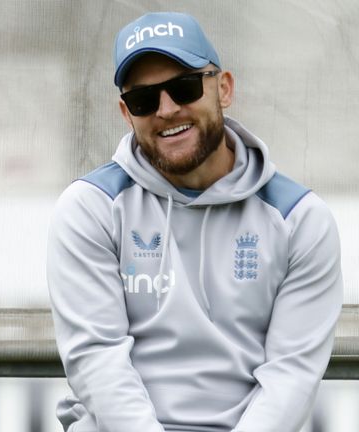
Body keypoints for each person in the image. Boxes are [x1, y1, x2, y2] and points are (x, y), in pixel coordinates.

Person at [47, 11, 343, 432]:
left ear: (224, 88)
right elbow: (98, 359)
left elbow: (290, 377)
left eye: (184, 88)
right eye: (143, 100)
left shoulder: (300, 219)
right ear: (125, 112)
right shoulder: (90, 207)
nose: (166, 110)